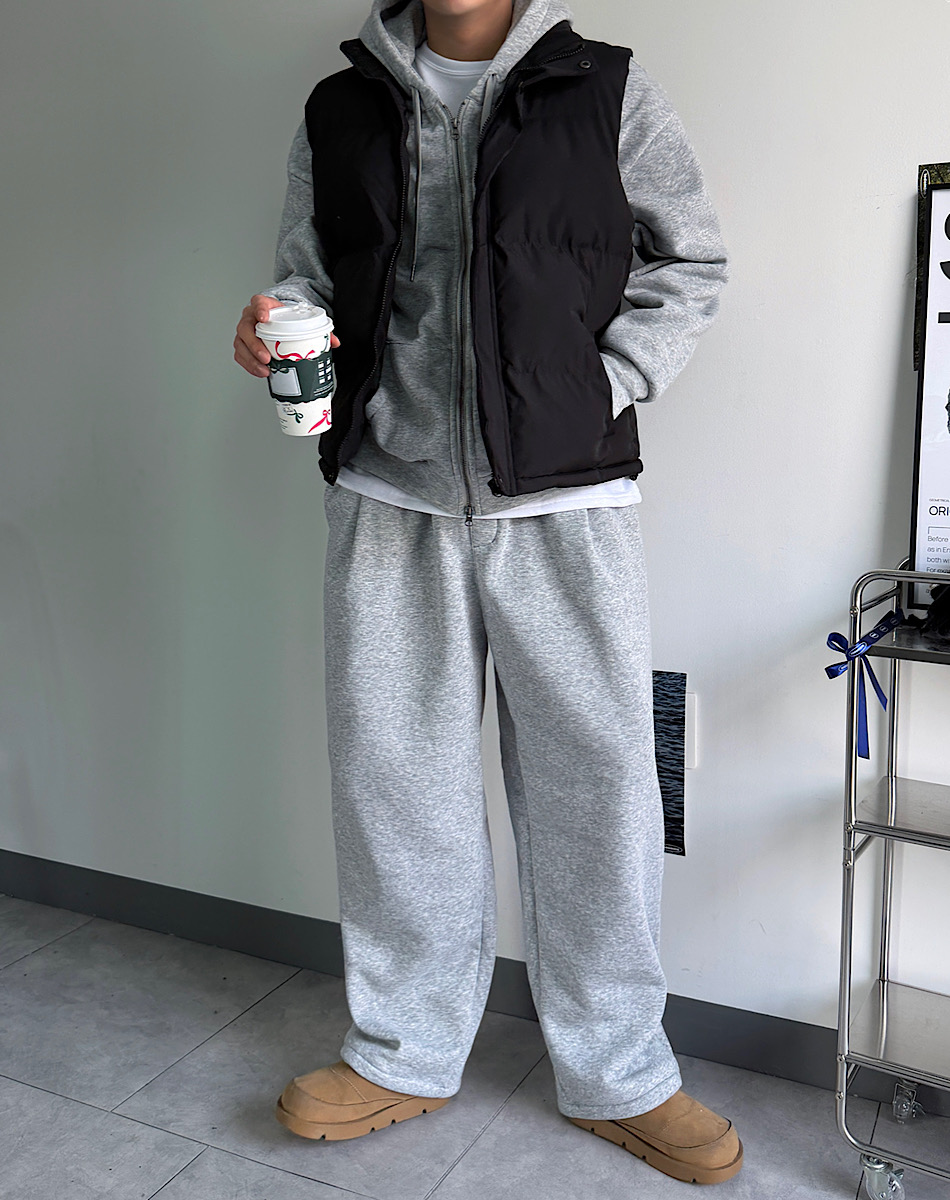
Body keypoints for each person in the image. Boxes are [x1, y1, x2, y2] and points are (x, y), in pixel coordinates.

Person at [233, 0, 738, 1184]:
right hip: (387, 494)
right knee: (393, 789)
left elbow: (690, 262)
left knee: (597, 789)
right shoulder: (340, 105)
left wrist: (606, 384)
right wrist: (270, 332)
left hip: (565, 501)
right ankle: (403, 1051)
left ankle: (620, 1071)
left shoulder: (605, 89)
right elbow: (308, 278)